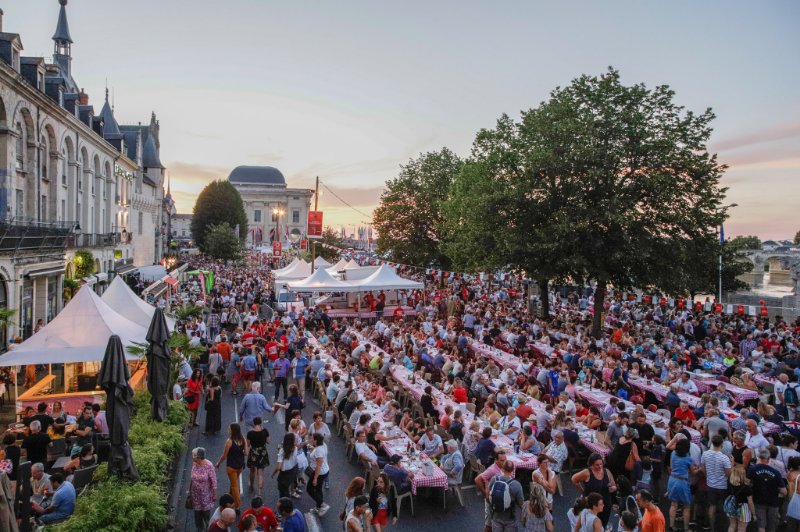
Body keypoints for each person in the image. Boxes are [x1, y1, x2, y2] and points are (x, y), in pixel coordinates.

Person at [571, 453, 617, 528]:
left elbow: (614, 485)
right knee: (590, 526)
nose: (600, 466)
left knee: (602, 526)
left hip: (605, 505)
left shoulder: (607, 472)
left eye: (601, 464)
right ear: (591, 464)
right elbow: (574, 479)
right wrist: (582, 491)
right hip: (591, 506)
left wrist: (613, 488)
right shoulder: (587, 472)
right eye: (597, 465)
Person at [665, 436, 698, 531]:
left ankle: (671, 526)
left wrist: (675, 438)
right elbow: (693, 472)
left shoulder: (673, 453)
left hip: (672, 479)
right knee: (687, 506)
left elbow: (671, 466)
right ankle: (686, 528)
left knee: (673, 504)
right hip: (682, 482)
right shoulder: (688, 458)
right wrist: (699, 469)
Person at [747, 447, 783, 532]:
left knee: (761, 524)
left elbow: (747, 483)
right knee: (771, 525)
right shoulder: (776, 472)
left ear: (759, 457)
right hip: (773, 502)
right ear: (768, 459)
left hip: (758, 500)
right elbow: (784, 491)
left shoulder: (752, 469)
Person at [215, 422, 248, 511]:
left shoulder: (229, 441)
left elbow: (224, 456)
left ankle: (237, 505)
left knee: (234, 486)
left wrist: (218, 463)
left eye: (229, 429)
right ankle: (230, 496)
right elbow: (246, 453)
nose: (228, 430)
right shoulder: (243, 439)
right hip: (240, 466)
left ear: (233, 431)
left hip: (231, 467)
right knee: (234, 482)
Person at [701, 433, 731, 531]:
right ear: (721, 444)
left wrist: (708, 477)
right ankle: (729, 527)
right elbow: (728, 473)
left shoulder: (705, 454)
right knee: (726, 507)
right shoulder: (724, 458)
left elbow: (703, 469)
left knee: (712, 506)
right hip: (722, 486)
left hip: (710, 484)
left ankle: (712, 528)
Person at [189, 447, 217, 532]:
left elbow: (214, 481)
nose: (192, 457)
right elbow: (192, 478)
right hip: (195, 494)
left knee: (206, 515)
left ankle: (208, 529)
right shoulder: (194, 463)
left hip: (206, 495)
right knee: (197, 515)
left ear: (198, 457)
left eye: (194, 456)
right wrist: (190, 491)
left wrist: (214, 494)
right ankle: (199, 529)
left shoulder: (209, 465)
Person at [307, 432, 330, 516]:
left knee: (309, 489)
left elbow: (318, 465)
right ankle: (318, 507)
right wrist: (312, 448)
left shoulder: (319, 451)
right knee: (318, 489)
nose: (311, 439)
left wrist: (315, 478)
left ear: (316, 441)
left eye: (312, 438)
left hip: (319, 473)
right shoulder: (322, 445)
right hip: (324, 471)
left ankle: (323, 505)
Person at [725, 465, 754, 532]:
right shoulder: (746, 488)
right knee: (741, 528)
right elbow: (750, 502)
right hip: (743, 508)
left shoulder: (729, 483)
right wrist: (754, 513)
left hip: (731, 506)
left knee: (732, 526)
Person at [272, 433, 299, 499]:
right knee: (287, 487)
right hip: (292, 471)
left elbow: (278, 467)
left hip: (284, 474)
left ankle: (285, 504)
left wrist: (273, 474)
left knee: (282, 490)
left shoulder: (282, 451)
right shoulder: (295, 448)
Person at [246, 417, 270, 492]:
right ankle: (259, 492)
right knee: (260, 473)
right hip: (262, 452)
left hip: (254, 452)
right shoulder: (265, 431)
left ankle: (251, 486)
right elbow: (268, 441)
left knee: (252, 471)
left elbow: (248, 444)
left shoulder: (250, 433)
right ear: (261, 423)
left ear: (254, 423)